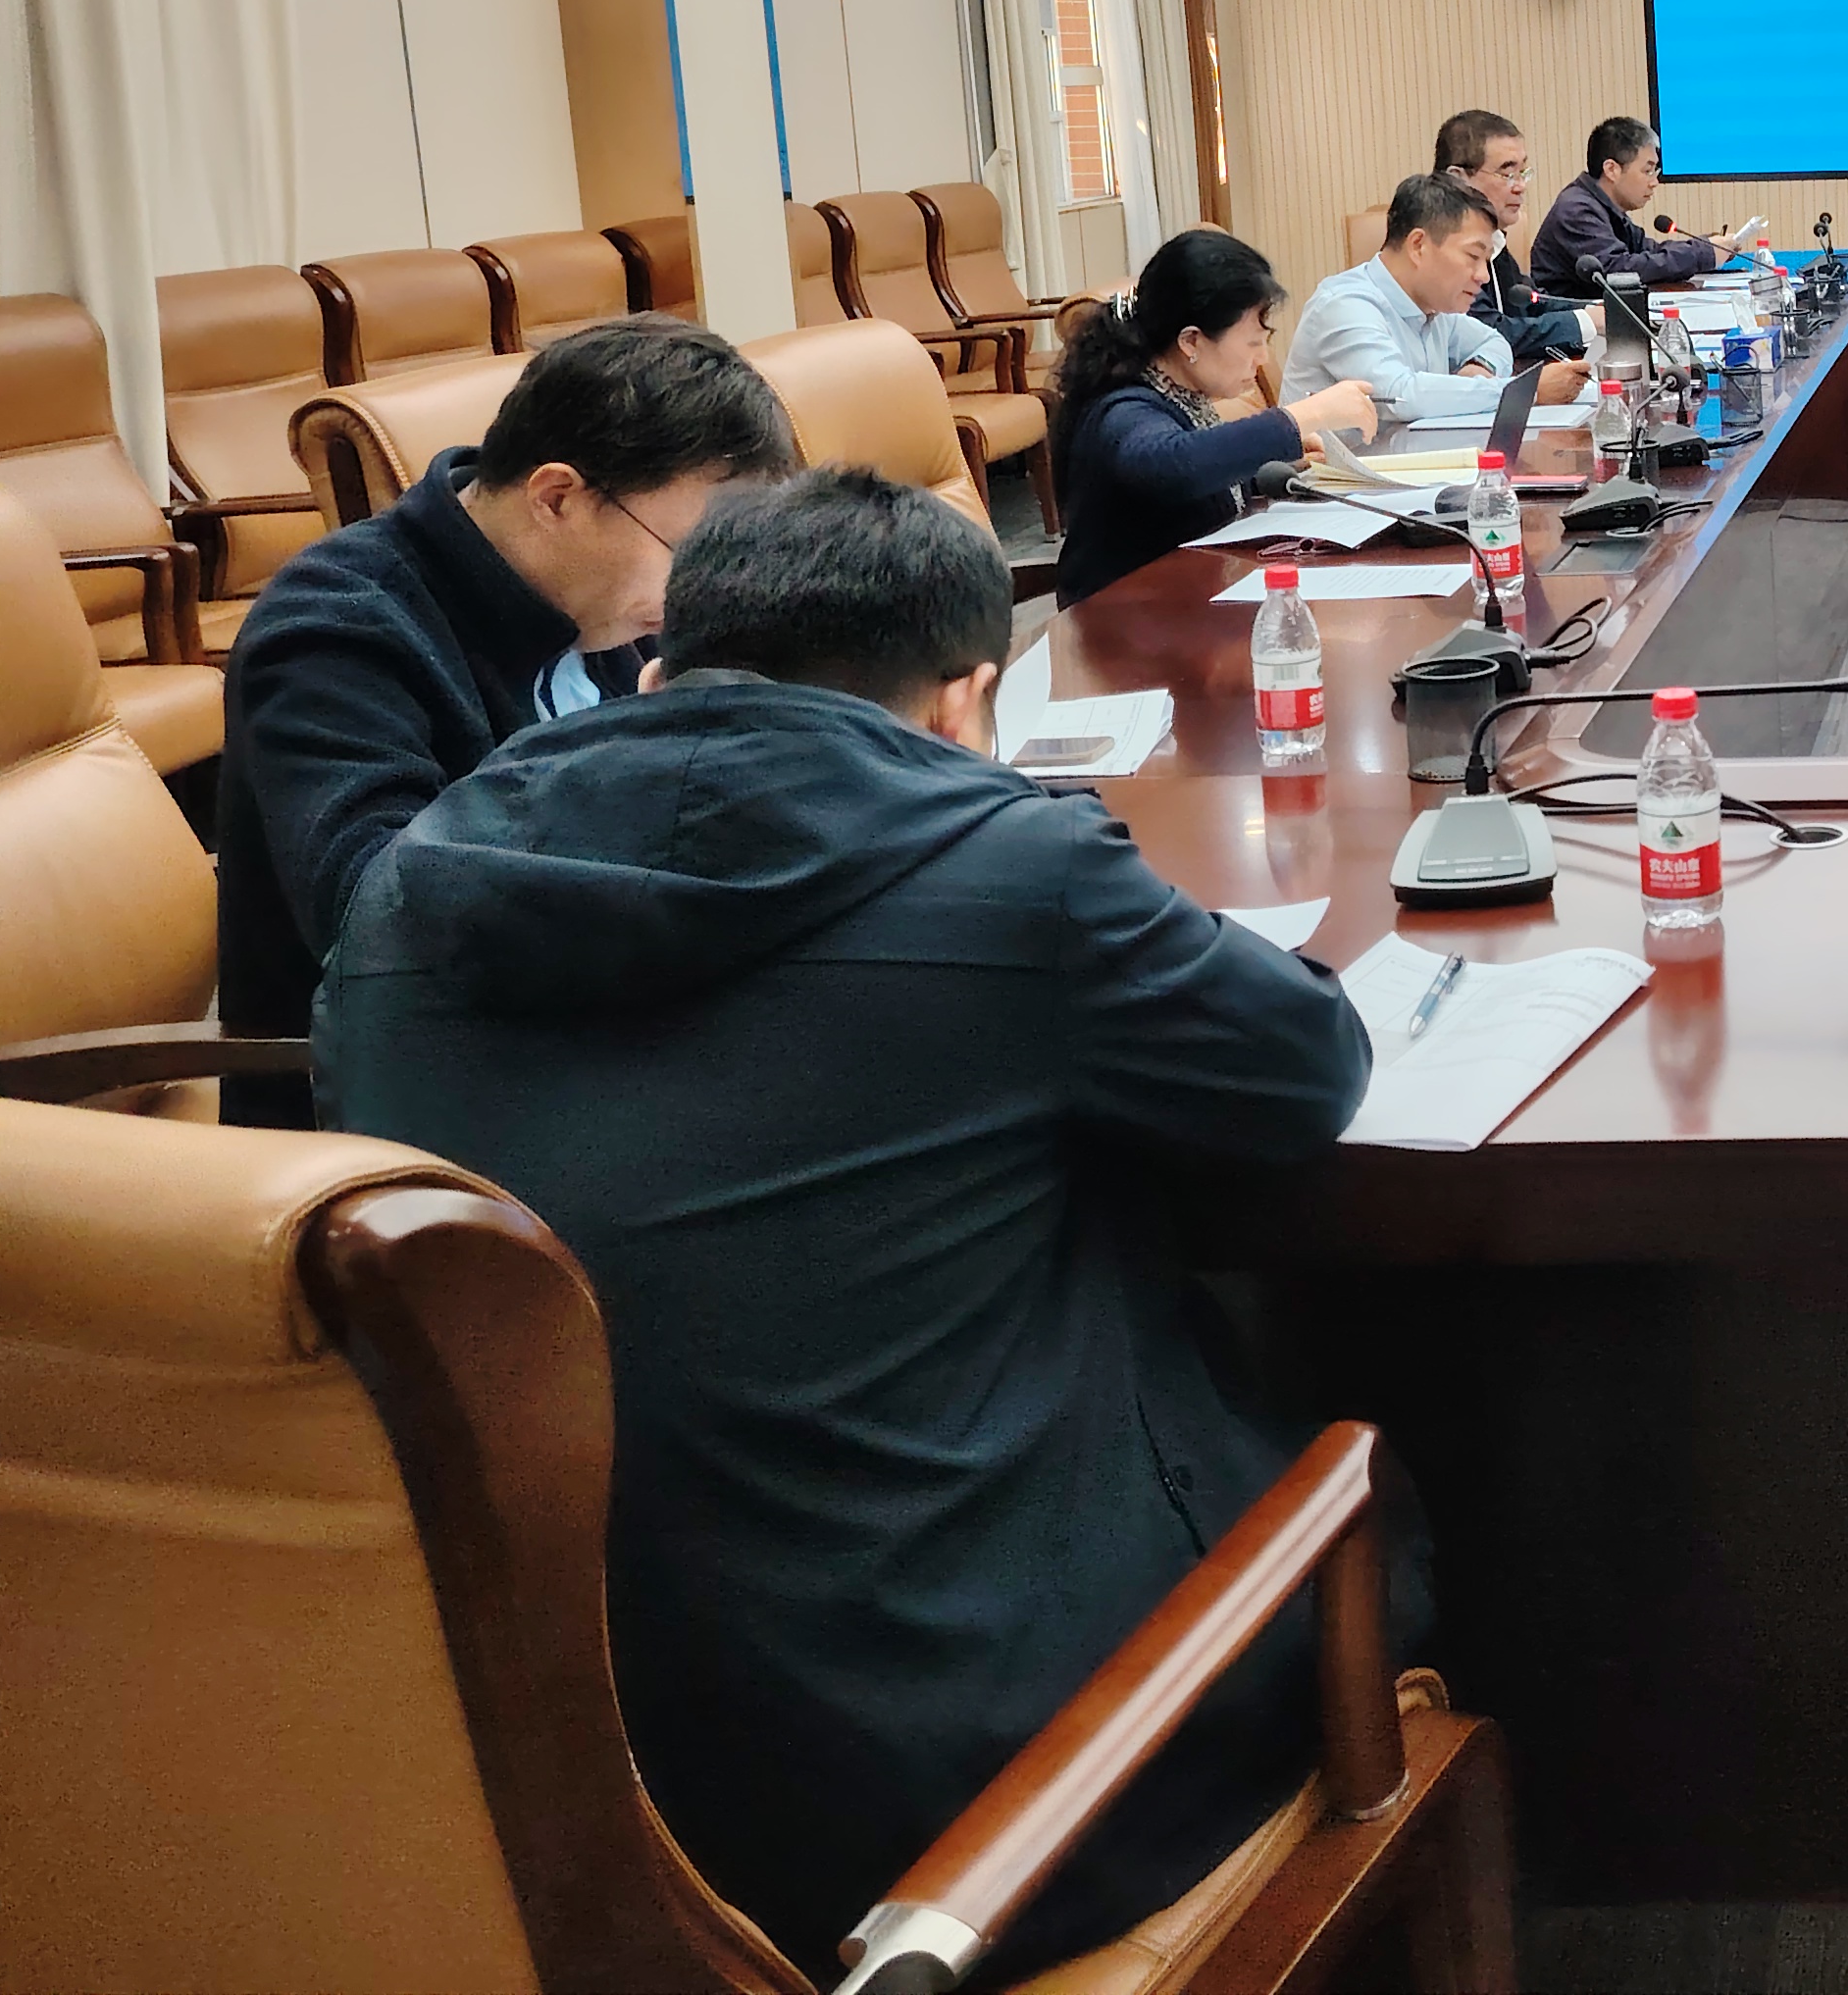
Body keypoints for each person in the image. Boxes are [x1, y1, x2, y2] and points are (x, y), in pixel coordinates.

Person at [317, 468, 1386, 1984]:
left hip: (544, 1796)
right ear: (966, 699)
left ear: (657, 666)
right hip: (979, 1806)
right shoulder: (1016, 869)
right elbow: (1304, 1071)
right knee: (1371, 1480)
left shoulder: (402, 893)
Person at [215, 314, 796, 1112]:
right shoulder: (335, 626)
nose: (695, 596)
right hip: (410, 1085)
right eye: (688, 555)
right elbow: (380, 922)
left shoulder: (603, 595)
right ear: (557, 498)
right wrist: (640, 766)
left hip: (593, 1027)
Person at [1048, 229, 1376, 611]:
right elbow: (1175, 466)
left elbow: (1190, 498)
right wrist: (1306, 415)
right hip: (1119, 622)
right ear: (1191, 341)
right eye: (1253, 343)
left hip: (1183, 602)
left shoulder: (1180, 392)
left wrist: (1271, 467)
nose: (1262, 358)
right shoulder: (1120, 407)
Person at [1305, 173, 1594, 429]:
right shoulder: (1344, 305)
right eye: (1473, 256)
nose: (1482, 275)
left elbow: (1494, 342)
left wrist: (1481, 367)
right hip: (1342, 473)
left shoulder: (1434, 307)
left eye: (1486, 260)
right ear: (1418, 245)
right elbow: (1400, 396)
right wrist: (1526, 392)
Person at [1433, 107, 1591, 367]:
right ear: (1457, 179)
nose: (1520, 186)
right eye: (1507, 174)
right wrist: (1583, 323)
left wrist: (1594, 310)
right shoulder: (1441, 247)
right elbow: (1489, 331)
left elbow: (1529, 302)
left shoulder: (1493, 239)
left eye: (1523, 173)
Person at [1532, 116, 1728, 295]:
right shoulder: (1577, 210)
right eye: (1647, 171)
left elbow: (1649, 251)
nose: (1654, 182)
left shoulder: (1604, 206)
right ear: (1612, 169)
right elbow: (1618, 272)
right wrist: (1702, 254)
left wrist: (1704, 246)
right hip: (1572, 318)